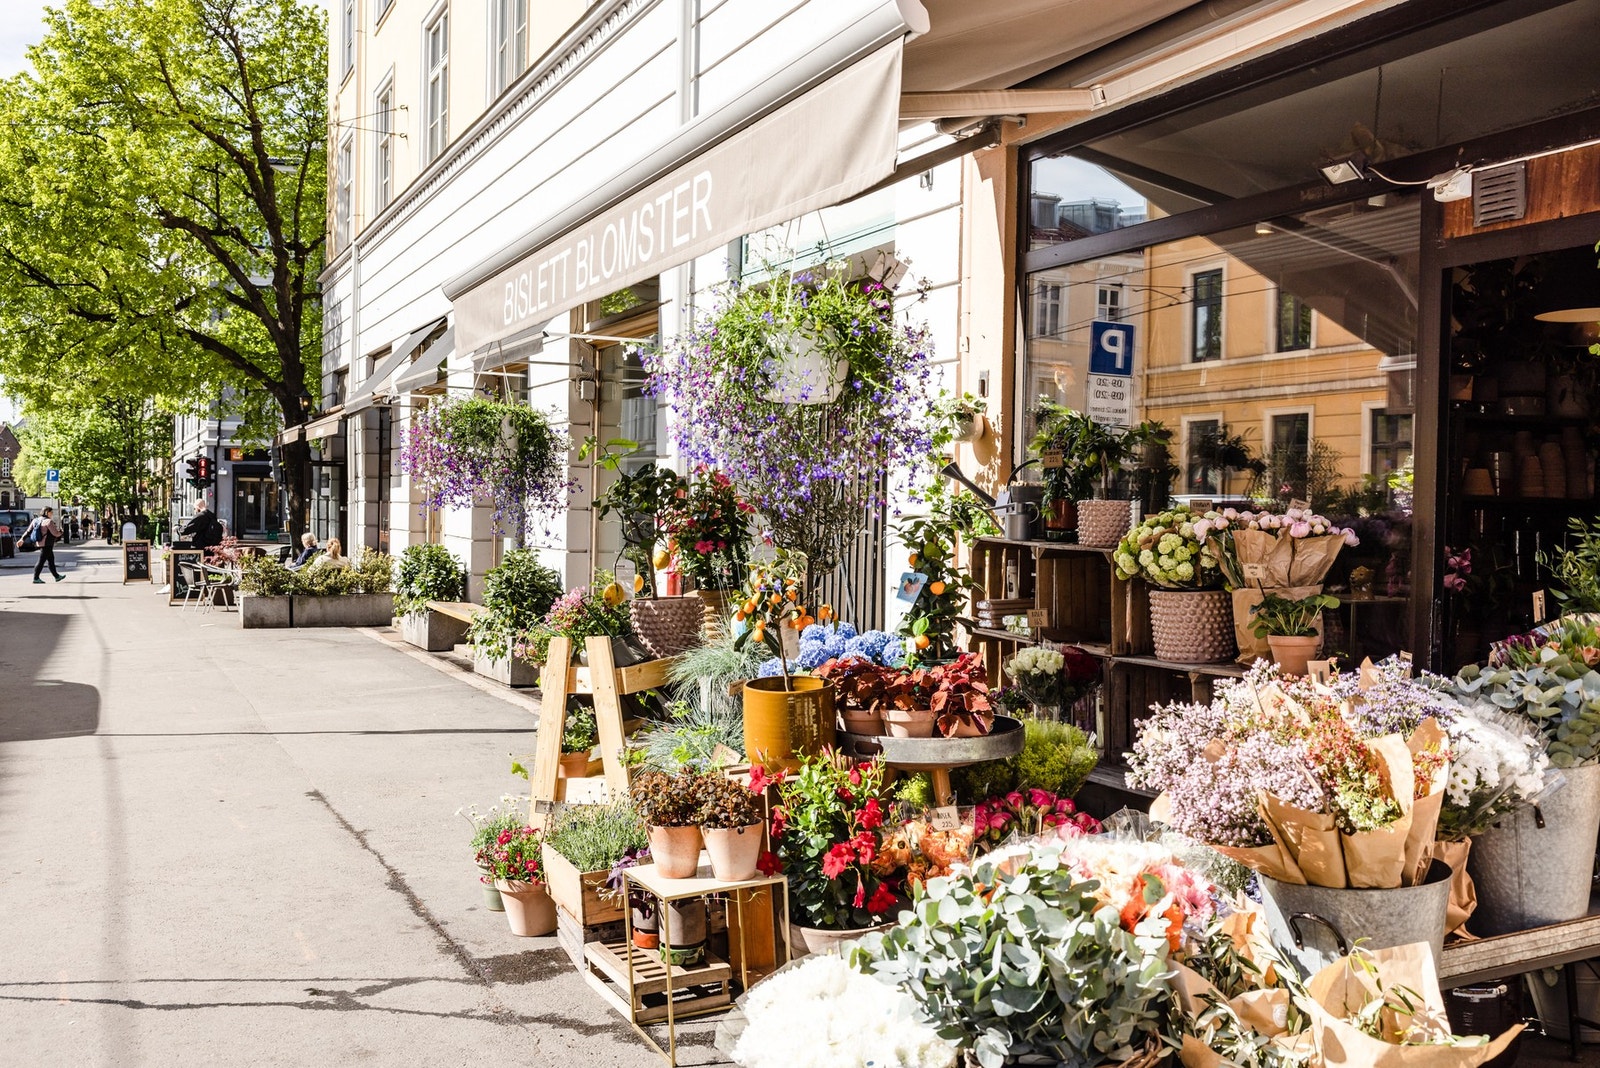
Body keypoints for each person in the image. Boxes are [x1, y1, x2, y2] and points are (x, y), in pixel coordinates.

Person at [30, 507, 64, 584]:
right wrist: (61, 533)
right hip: (47, 544)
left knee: (51, 560)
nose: (52, 514)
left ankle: (56, 576)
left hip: (40, 542)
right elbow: (55, 533)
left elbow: (28, 530)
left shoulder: (36, 520)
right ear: (46, 512)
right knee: (41, 561)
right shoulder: (49, 521)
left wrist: (22, 539)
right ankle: (36, 578)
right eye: (51, 512)